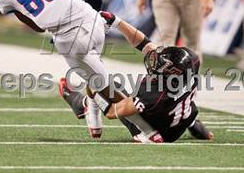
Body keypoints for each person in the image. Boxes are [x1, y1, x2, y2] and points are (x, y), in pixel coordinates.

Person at [0, 0, 161, 141]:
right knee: (102, 82)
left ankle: (138, 125)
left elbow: (36, 27)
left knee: (104, 88)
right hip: (91, 20)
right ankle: (138, 126)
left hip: (69, 41)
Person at [60, 10, 213, 143]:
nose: (155, 64)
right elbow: (145, 44)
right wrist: (116, 22)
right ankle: (195, 126)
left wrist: (95, 94)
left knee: (99, 81)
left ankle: (89, 107)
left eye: (161, 65)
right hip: (180, 119)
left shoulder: (152, 94)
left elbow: (113, 112)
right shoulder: (190, 69)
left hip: (157, 128)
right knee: (186, 112)